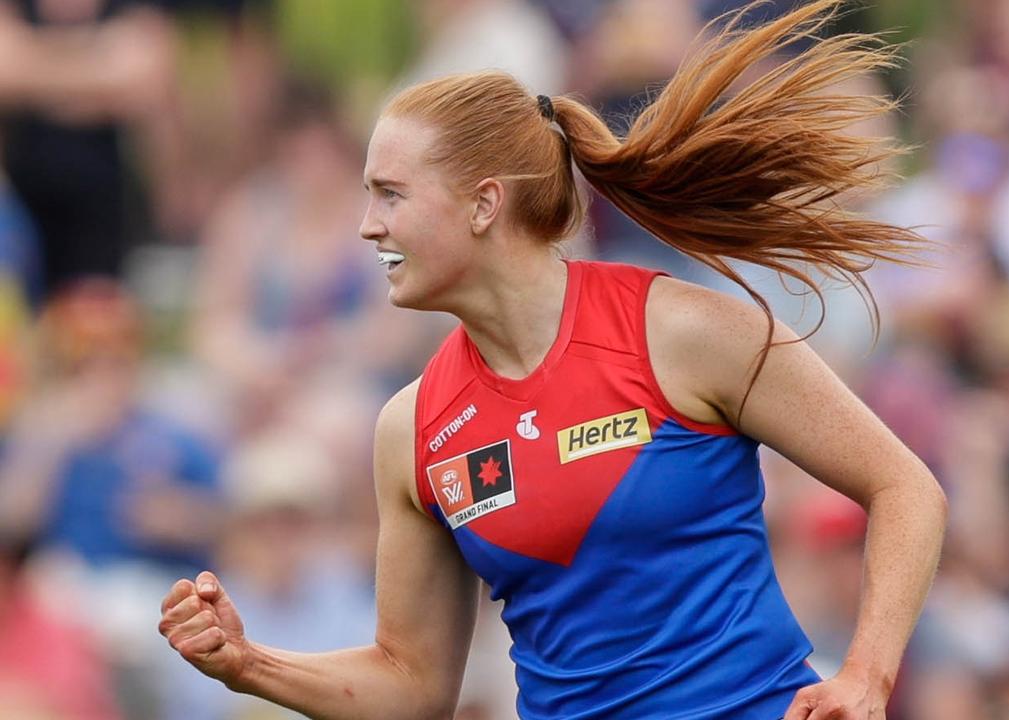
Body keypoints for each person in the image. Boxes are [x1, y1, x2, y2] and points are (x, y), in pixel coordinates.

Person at [157, 2, 948, 718]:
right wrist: (250, 664)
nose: (367, 227)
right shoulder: (413, 429)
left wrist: (865, 678)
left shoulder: (679, 331)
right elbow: (414, 683)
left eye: (391, 194)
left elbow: (905, 487)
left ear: (483, 203)